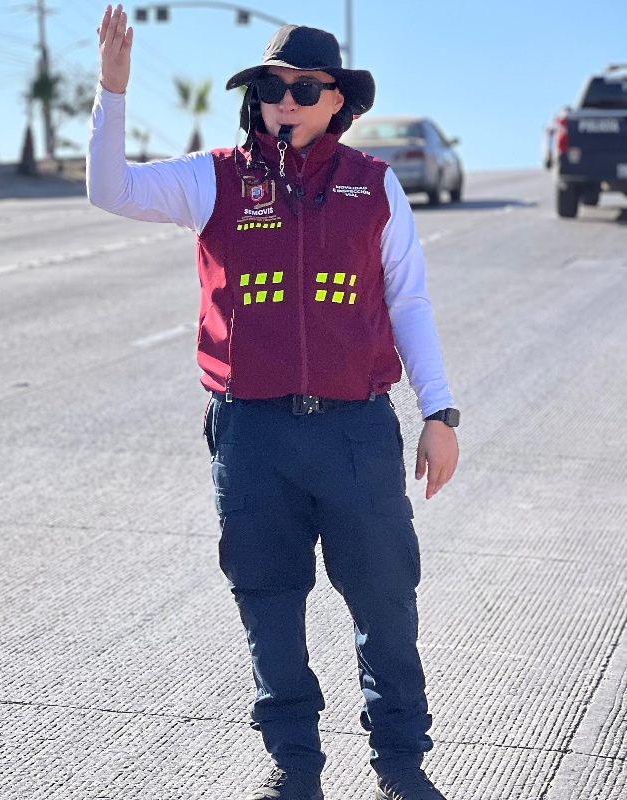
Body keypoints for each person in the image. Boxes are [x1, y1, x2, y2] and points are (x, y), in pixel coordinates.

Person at [87, 8, 460, 800]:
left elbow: (409, 301)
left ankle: (400, 765)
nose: (283, 101)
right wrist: (111, 93)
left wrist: (439, 412)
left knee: (385, 600)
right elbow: (109, 189)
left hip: (356, 430)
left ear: (338, 101)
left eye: (303, 89)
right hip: (251, 432)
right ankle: (294, 767)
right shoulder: (215, 178)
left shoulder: (374, 185)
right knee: (268, 603)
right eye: (269, 88)